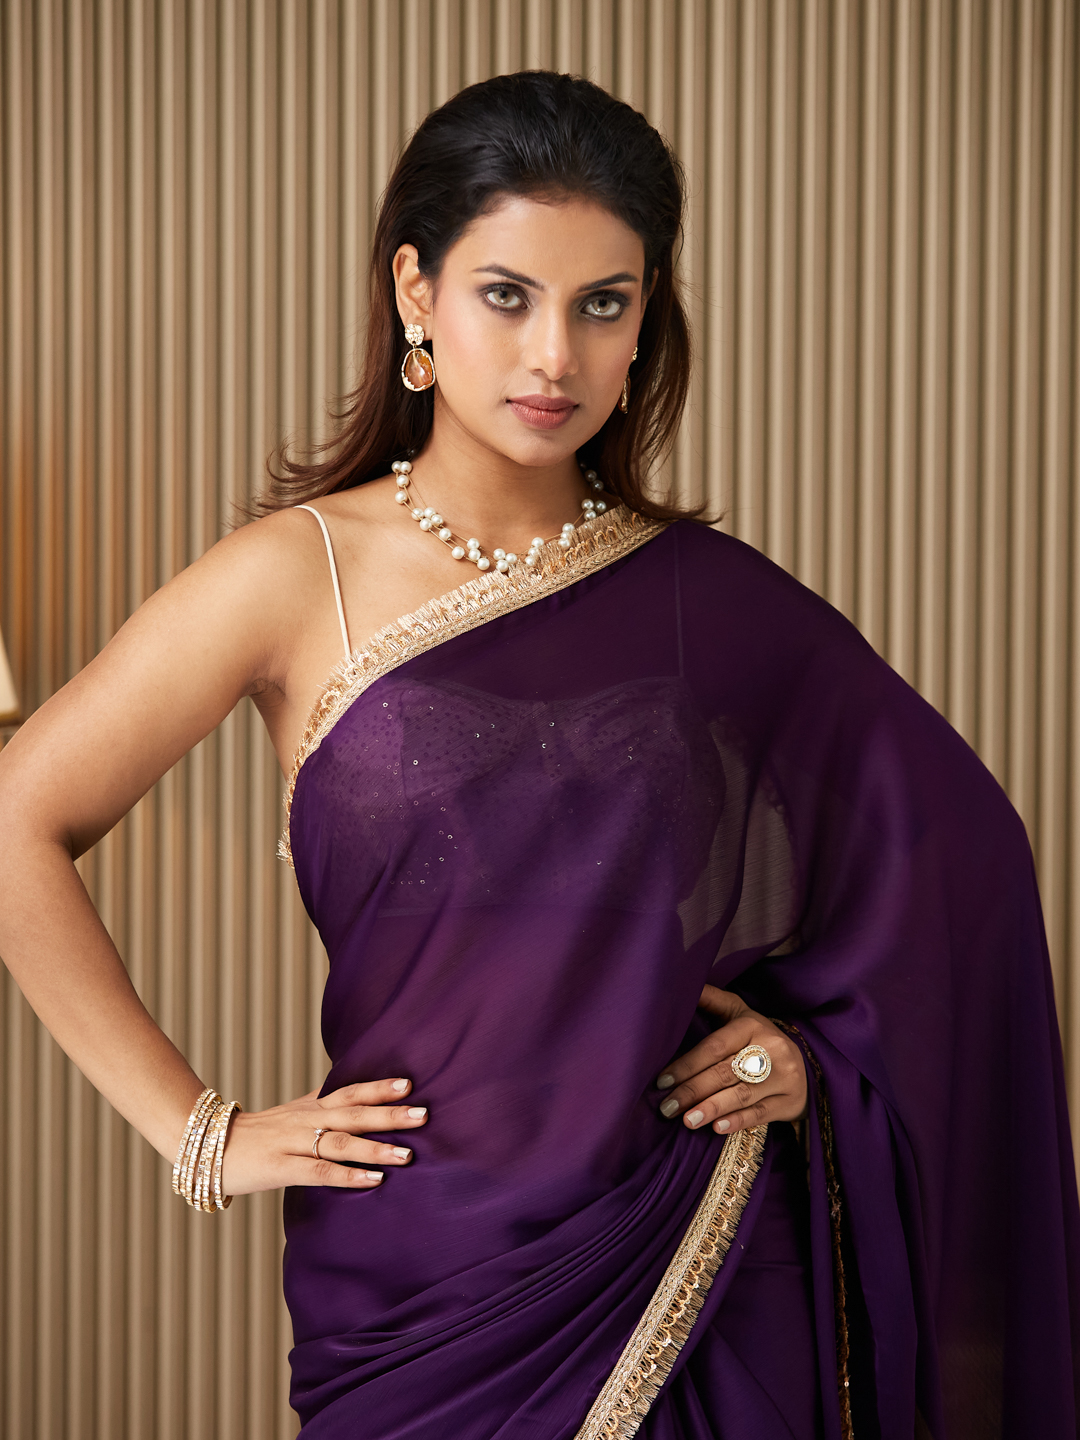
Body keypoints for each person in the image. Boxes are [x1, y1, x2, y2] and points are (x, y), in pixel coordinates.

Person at [0, 69, 1077, 1439]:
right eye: (506, 295)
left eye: (601, 304)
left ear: (646, 318)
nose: (554, 355)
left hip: (697, 1256)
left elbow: (957, 877)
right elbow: (15, 822)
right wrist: (197, 1129)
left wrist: (816, 1059)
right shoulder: (292, 577)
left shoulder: (711, 601)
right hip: (418, 1283)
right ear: (416, 291)